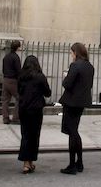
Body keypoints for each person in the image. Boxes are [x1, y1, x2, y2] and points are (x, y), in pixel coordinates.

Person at [59, 42, 94, 175]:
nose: (71, 55)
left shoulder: (75, 65)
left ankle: (73, 164)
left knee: (72, 133)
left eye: (71, 52)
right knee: (74, 131)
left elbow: (67, 84)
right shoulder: (90, 66)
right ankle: (79, 162)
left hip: (71, 102)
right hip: (81, 102)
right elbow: (89, 85)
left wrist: (66, 77)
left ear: (76, 53)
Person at [17, 55, 51, 174]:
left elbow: (18, 91)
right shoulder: (40, 77)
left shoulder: (21, 77)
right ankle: (29, 161)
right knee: (34, 135)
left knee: (25, 134)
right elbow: (48, 92)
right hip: (35, 109)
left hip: (23, 108)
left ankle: (27, 162)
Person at [2, 40, 22, 124]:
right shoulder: (16, 57)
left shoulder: (6, 57)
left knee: (5, 100)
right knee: (19, 98)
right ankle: (16, 117)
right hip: (13, 80)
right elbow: (18, 70)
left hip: (5, 79)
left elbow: (3, 69)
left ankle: (5, 118)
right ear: (18, 47)